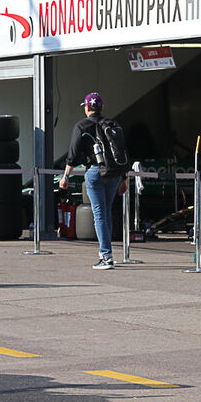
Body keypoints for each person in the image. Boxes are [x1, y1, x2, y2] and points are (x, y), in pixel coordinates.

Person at [59, 92, 127, 270]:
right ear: (102, 107)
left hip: (95, 172)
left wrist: (66, 176)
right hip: (114, 173)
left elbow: (73, 154)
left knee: (99, 214)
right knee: (106, 212)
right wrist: (124, 178)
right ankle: (108, 252)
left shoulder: (81, 126)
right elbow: (121, 151)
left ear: (87, 107)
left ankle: (106, 256)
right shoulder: (112, 124)